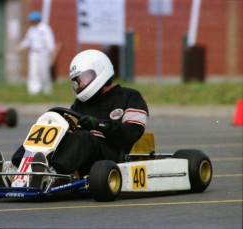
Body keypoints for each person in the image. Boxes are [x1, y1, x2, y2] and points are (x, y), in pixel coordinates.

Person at [10, 49, 149, 184]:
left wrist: (98, 125)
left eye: (83, 78)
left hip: (111, 157)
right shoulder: (81, 103)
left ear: (100, 71)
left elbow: (132, 132)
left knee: (84, 136)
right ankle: (17, 167)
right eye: (78, 81)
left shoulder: (130, 96)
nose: (80, 84)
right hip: (80, 157)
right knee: (46, 129)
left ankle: (54, 174)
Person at [16, 11, 55, 95]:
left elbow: (50, 41)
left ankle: (47, 90)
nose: (30, 21)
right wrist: (20, 47)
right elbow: (27, 40)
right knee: (33, 72)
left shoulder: (45, 29)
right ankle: (34, 91)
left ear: (37, 20)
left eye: (32, 20)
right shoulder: (31, 29)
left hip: (43, 52)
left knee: (44, 72)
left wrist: (51, 52)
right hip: (33, 53)